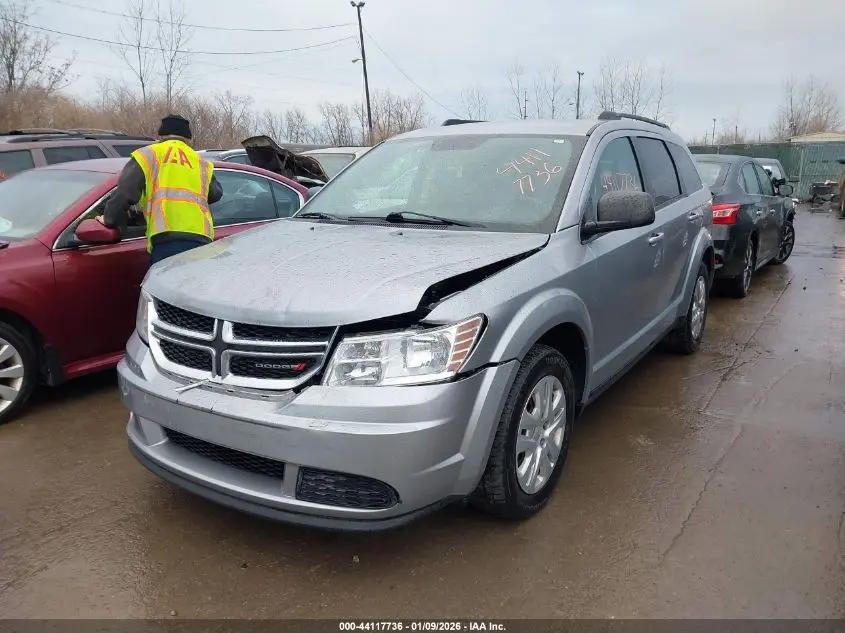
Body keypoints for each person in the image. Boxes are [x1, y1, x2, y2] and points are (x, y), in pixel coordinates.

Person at [99, 114, 223, 264]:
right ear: (189, 139)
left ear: (161, 135)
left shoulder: (148, 155)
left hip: (166, 238)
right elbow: (216, 193)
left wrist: (109, 218)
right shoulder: (201, 161)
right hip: (200, 237)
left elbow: (125, 193)